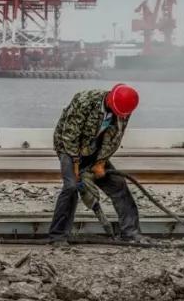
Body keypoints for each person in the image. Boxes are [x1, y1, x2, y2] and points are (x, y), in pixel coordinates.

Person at [48, 84, 144, 243]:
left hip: (94, 149)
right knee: (71, 187)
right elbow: (69, 135)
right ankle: (57, 236)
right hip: (69, 147)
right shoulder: (85, 101)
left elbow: (114, 138)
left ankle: (131, 233)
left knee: (118, 185)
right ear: (110, 101)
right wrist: (76, 165)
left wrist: (101, 162)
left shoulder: (123, 110)